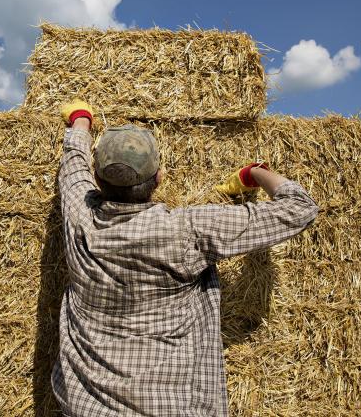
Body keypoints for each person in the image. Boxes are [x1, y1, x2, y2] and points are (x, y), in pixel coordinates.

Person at [52, 99, 319, 416]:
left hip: (87, 408)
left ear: (97, 179)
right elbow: (299, 209)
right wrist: (257, 173)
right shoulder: (186, 230)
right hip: (169, 407)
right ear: (160, 177)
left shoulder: (80, 219)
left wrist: (81, 120)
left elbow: (73, 166)